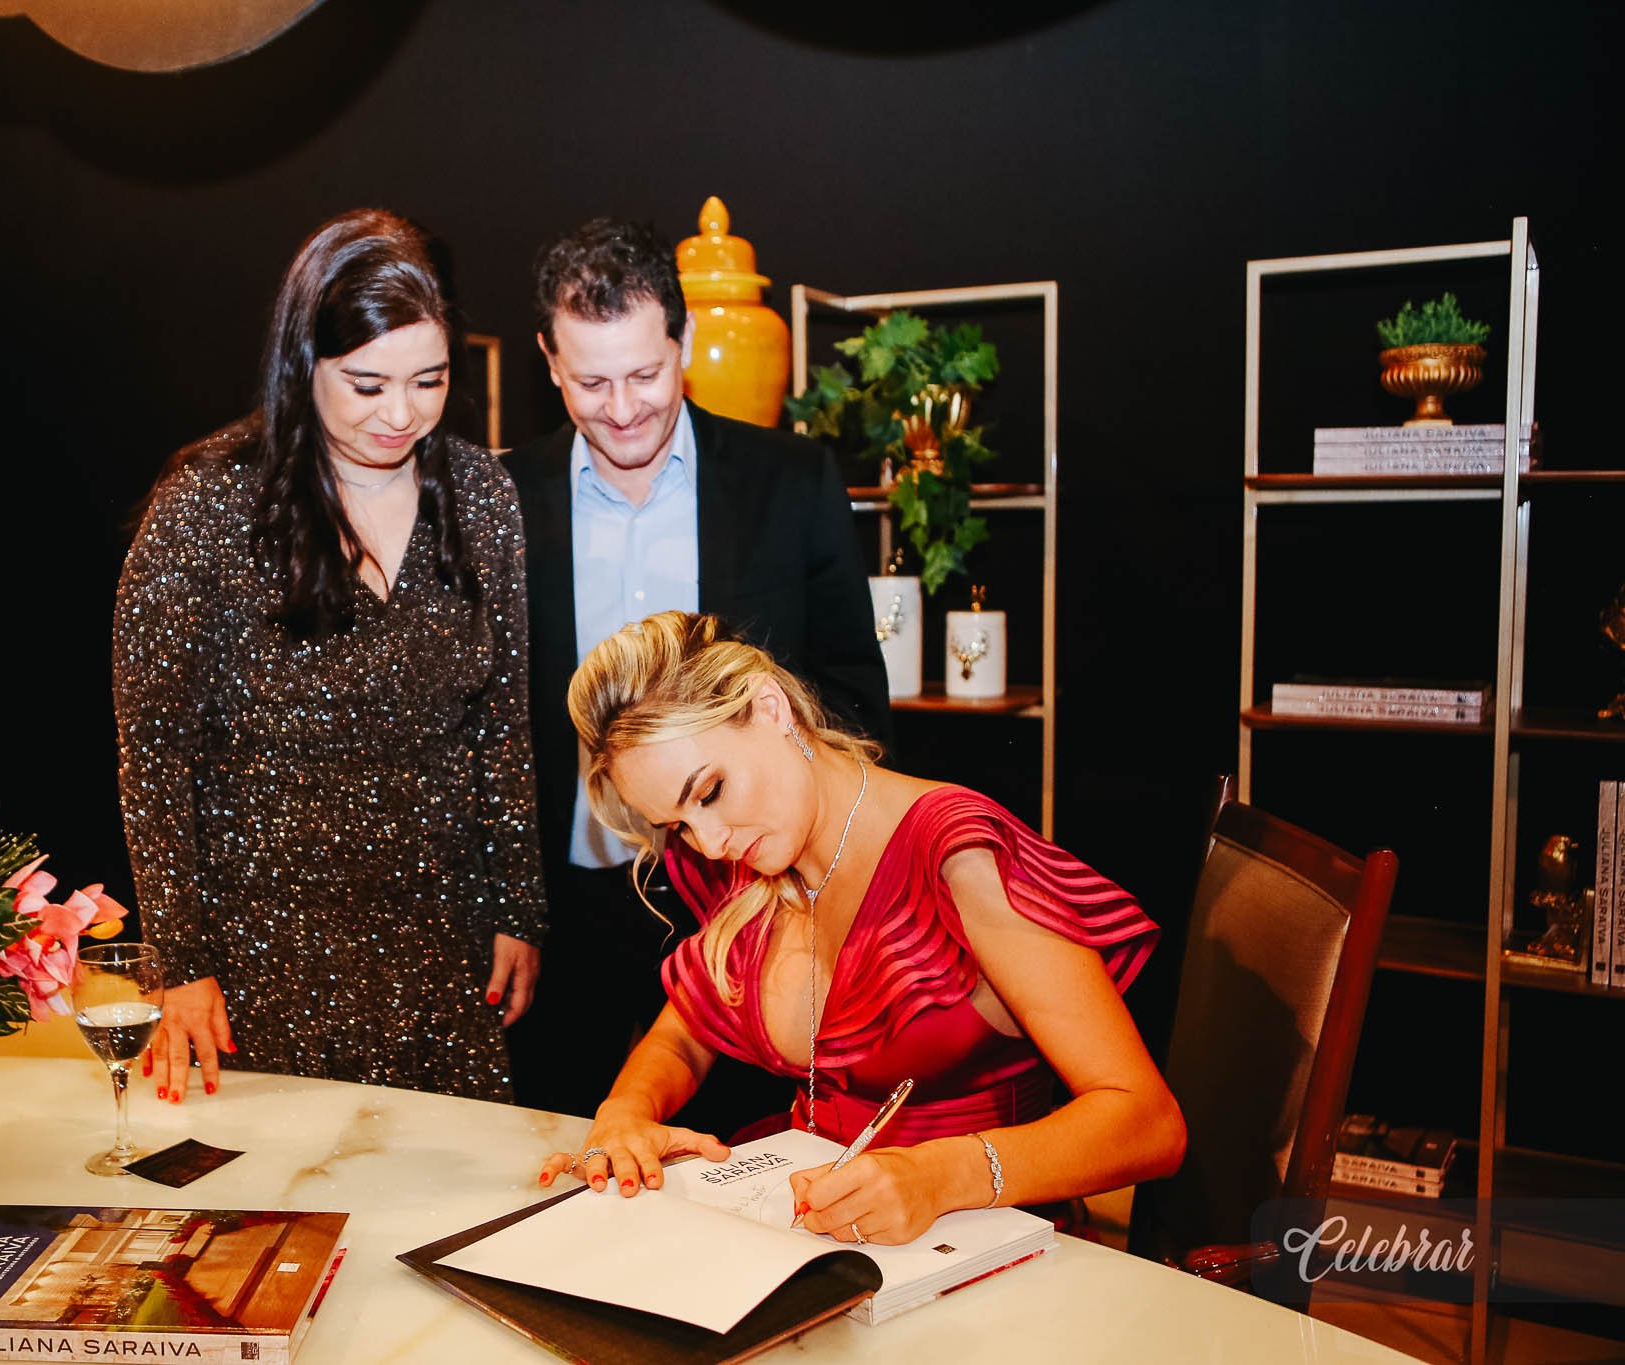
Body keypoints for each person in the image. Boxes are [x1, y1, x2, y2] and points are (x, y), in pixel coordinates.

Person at [536, 612, 1184, 1246]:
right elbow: (682, 1035)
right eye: (677, 825)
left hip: (984, 1245)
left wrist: (943, 1175)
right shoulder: (750, 858)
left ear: (769, 707)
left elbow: (1149, 1123)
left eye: (708, 792)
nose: (708, 842)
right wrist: (625, 1113)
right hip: (817, 1240)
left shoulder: (957, 858)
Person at [113, 208, 546, 1104]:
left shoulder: (482, 495)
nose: (402, 413)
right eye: (367, 383)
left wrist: (519, 906)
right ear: (303, 361)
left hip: (441, 944)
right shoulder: (207, 506)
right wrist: (179, 961)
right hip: (263, 953)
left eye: (429, 380)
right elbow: (154, 756)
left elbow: (501, 723)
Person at [501, 218, 892, 1126]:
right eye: (591, 382)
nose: (622, 408)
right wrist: (504, 907)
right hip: (567, 913)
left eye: (644, 373)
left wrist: (819, 887)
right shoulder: (503, 497)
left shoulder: (790, 481)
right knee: (575, 1151)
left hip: (749, 899)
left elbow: (851, 697)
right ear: (549, 362)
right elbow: (478, 728)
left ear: (682, 342)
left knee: (746, 1159)